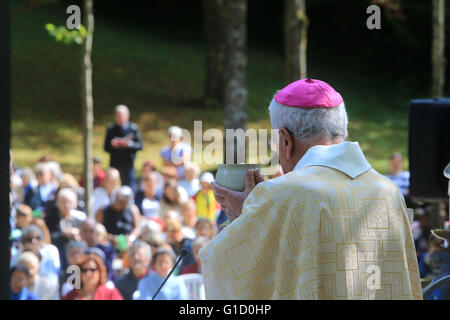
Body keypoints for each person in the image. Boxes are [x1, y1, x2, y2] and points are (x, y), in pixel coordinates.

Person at [200, 78, 422, 299]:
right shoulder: (388, 192)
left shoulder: (283, 194)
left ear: (286, 140)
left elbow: (226, 270)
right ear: (344, 136)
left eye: (274, 142)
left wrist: (245, 218)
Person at [104, 105, 143, 191]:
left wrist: (128, 145)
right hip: (114, 164)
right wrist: (113, 145)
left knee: (129, 188)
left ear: (127, 116)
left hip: (128, 165)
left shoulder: (133, 129)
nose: (119, 118)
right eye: (117, 116)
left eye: (121, 116)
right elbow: (105, 147)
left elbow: (140, 146)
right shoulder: (111, 129)